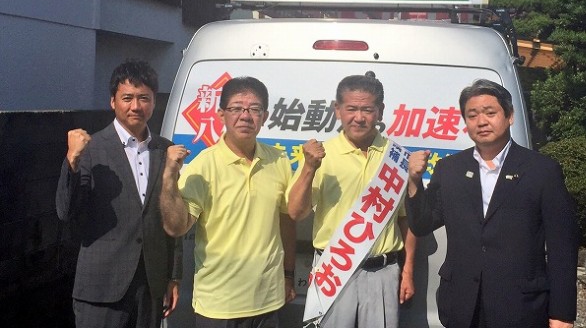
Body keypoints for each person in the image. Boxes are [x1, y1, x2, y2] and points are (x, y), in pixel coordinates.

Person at [406, 79, 579, 328]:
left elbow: (562, 246)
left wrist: (562, 314)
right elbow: (422, 224)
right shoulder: (450, 169)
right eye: (472, 115)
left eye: (490, 113)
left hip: (520, 306)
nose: (481, 122)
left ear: (509, 116)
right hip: (461, 304)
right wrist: (414, 181)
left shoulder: (542, 170)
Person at [160, 76, 296, 328]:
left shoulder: (278, 160)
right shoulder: (204, 165)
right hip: (219, 305)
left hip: (267, 301)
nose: (245, 116)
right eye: (236, 108)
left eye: (254, 109)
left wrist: (288, 274)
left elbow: (286, 222)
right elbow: (176, 227)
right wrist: (169, 177)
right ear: (221, 115)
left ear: (265, 116)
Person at [288, 72, 421, 328]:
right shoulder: (321, 155)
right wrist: (309, 168)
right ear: (337, 110)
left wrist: (407, 272)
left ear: (380, 111)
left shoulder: (398, 158)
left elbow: (408, 220)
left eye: (367, 110)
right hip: (334, 270)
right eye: (351, 109)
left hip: (383, 273)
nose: (359, 117)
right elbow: (295, 212)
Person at [56, 59, 182, 328]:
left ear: (154, 102)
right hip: (101, 288)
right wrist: (72, 161)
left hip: (150, 286)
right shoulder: (90, 149)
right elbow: (65, 211)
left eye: (144, 98)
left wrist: (173, 276)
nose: (136, 106)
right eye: (127, 98)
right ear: (113, 101)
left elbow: (172, 216)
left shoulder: (165, 150)